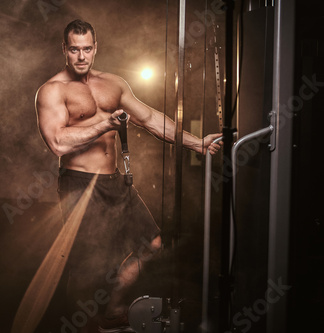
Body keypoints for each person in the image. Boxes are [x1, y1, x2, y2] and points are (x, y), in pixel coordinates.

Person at [35, 19, 222, 333]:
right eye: (74, 49)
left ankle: (113, 309)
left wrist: (196, 143)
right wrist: (105, 124)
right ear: (65, 50)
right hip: (80, 185)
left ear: (96, 48)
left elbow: (149, 118)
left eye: (87, 49)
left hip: (116, 182)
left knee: (153, 243)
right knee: (86, 267)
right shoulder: (52, 90)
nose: (81, 56)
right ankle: (81, 326)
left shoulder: (113, 83)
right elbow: (57, 142)